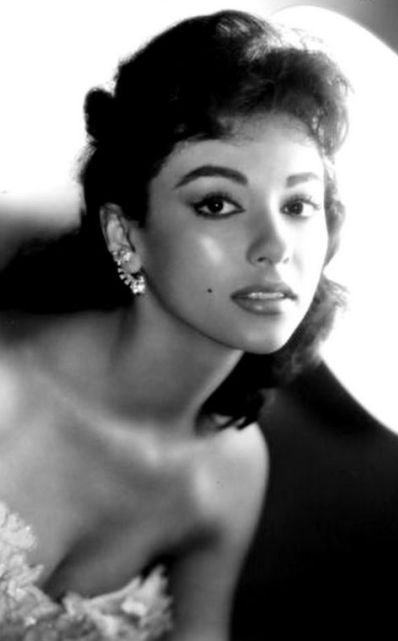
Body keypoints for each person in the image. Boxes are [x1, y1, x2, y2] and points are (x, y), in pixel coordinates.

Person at [0, 9, 349, 640]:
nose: (276, 246)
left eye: (299, 204)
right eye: (217, 203)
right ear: (125, 234)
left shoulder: (232, 466)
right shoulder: (7, 393)